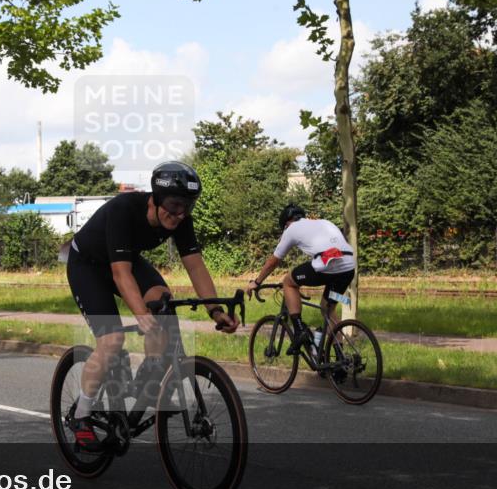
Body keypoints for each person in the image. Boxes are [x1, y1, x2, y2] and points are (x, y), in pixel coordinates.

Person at [66, 161, 239, 450]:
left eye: (187, 207)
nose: (179, 213)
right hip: (88, 265)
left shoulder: (181, 219)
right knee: (112, 339)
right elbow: (121, 274)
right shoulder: (124, 210)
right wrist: (140, 314)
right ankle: (82, 414)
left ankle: (146, 379)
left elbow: (195, 267)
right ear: (156, 199)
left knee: (163, 303)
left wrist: (215, 310)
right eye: (173, 205)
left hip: (125, 260)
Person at [246, 204, 356, 354]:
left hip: (327, 263)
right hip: (348, 265)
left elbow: (273, 261)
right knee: (327, 308)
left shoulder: (291, 229)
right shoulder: (323, 222)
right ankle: (340, 357)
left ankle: (299, 331)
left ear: (286, 223)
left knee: (289, 283)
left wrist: (257, 282)